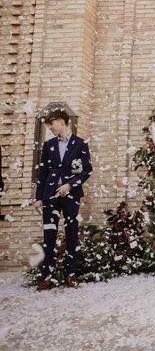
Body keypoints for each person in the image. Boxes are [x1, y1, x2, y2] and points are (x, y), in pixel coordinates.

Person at [33, 108, 92, 291]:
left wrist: (70, 185)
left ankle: (70, 274)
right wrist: (39, 198)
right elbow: (42, 172)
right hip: (50, 195)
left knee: (71, 234)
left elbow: (86, 170)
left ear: (61, 121)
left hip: (71, 196)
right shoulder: (48, 145)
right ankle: (47, 276)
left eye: (52, 123)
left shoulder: (80, 144)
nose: (50, 127)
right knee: (48, 236)